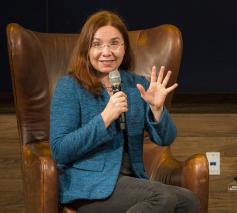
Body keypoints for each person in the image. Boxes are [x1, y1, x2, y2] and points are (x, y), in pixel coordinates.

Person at [50, 10, 200, 213]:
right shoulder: (70, 86)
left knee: (189, 201)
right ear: (86, 48)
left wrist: (157, 110)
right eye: (97, 44)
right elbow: (60, 150)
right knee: (161, 197)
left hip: (130, 180)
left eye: (114, 43)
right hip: (88, 185)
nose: (106, 51)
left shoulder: (136, 84)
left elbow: (166, 138)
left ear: (124, 48)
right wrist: (104, 118)